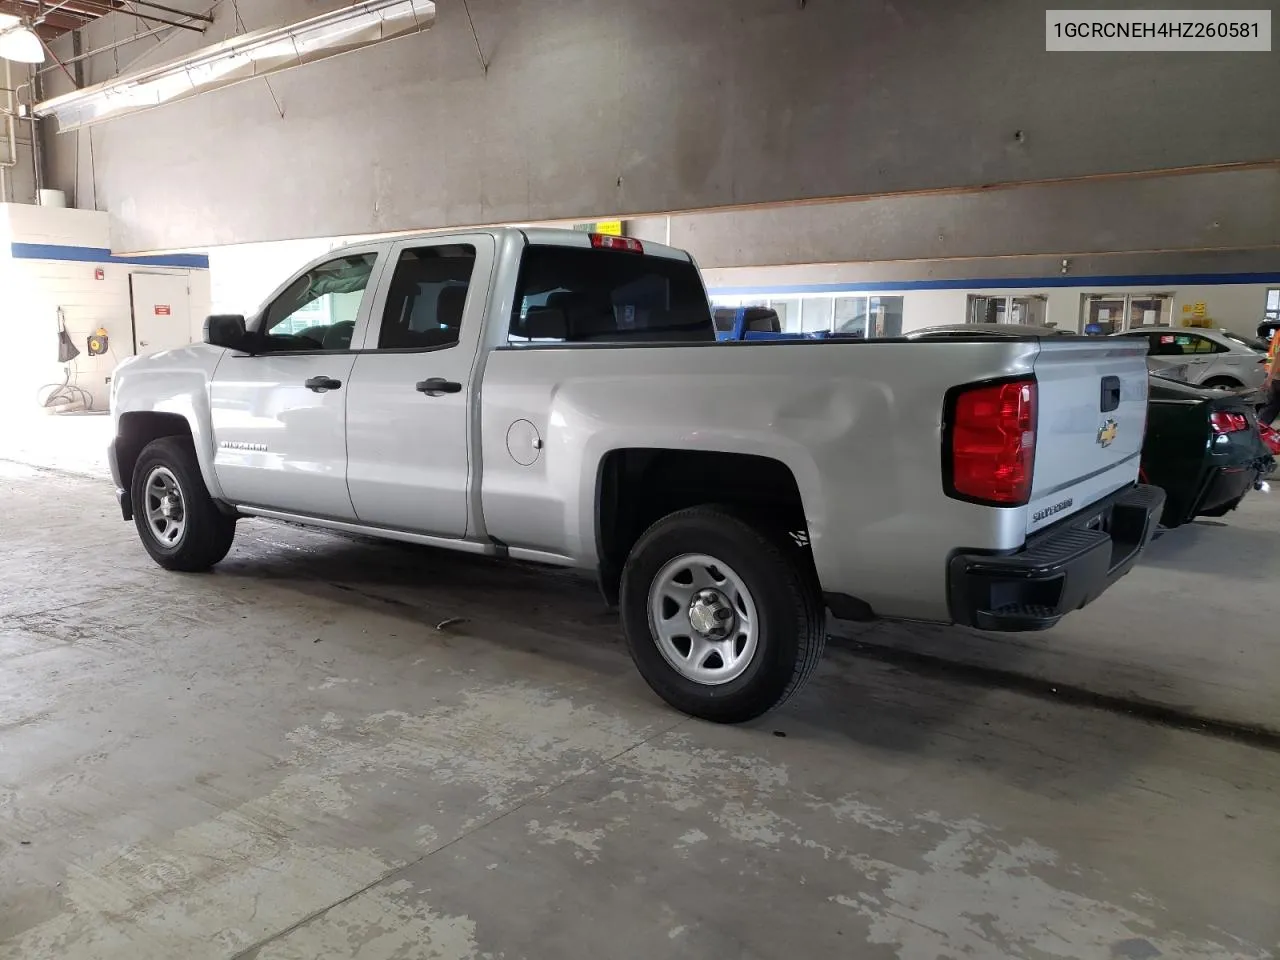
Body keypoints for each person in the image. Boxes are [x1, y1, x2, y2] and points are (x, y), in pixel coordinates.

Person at [1260, 326, 1280, 426]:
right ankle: (1259, 428)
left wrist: (1268, 372)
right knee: (1271, 406)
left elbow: (1274, 354)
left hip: (1274, 375)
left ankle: (1259, 428)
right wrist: (1269, 378)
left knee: (1271, 406)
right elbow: (1277, 355)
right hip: (1277, 376)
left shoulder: (1278, 333)